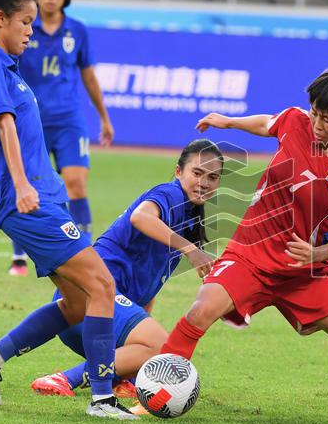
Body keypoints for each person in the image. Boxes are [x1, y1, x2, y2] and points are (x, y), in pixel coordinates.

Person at [153, 66, 328, 421]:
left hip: (306, 270)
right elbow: (268, 123)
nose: (317, 123)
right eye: (316, 112)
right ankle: (154, 394)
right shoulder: (297, 122)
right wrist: (229, 122)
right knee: (201, 309)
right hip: (251, 252)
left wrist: (316, 253)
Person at [0, 0, 135, 420]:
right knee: (103, 286)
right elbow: (4, 125)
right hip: (31, 202)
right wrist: (20, 183)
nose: (30, 32)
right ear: (1, 19)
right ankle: (102, 399)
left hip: (39, 197)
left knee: (77, 302)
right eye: (25, 22)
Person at [31, 140, 223, 403]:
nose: (204, 182)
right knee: (158, 346)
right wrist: (190, 249)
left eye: (213, 177)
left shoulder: (189, 217)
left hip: (95, 320)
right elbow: (141, 217)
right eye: (197, 173)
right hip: (87, 303)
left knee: (152, 347)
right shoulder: (171, 194)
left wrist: (139, 328)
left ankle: (121, 379)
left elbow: (151, 285)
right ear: (178, 172)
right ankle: (65, 378)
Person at [10, 0, 112, 276]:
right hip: (31, 122)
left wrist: (104, 118)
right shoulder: (24, 27)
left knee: (76, 184)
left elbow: (89, 77)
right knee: (29, 187)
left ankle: (88, 250)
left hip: (69, 121)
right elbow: (6, 69)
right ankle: (19, 257)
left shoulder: (77, 30)